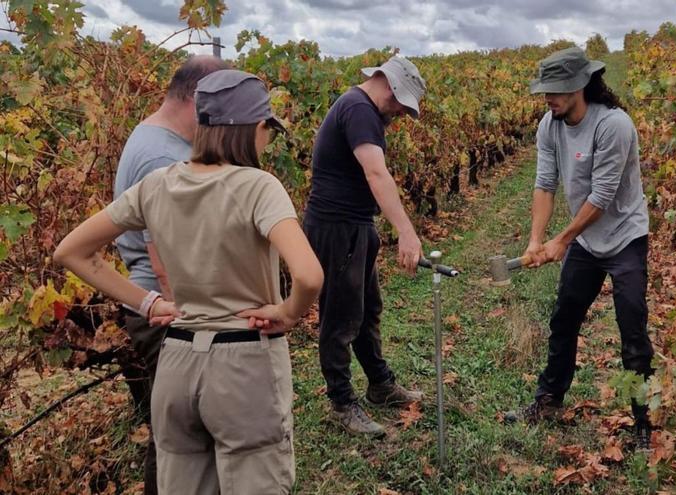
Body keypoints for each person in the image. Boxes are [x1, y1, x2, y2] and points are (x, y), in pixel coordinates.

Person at [55, 69, 324, 493]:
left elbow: (70, 251)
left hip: (177, 364)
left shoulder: (156, 185)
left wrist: (147, 304)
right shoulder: (258, 187)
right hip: (244, 366)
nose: (268, 141)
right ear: (254, 128)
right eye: (268, 131)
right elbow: (309, 275)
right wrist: (288, 313)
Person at [505, 47, 654, 450]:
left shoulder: (614, 125)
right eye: (544, 90)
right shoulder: (549, 125)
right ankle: (549, 399)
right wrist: (537, 240)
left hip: (625, 236)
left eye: (555, 90)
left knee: (632, 328)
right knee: (564, 317)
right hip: (588, 242)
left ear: (580, 85)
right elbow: (544, 183)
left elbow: (602, 194)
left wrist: (561, 239)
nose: (547, 97)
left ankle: (643, 421)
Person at [112, 54, 226, 494]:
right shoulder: (164, 156)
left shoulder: (152, 135)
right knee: (178, 436)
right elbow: (163, 261)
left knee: (176, 428)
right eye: (220, 103)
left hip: (159, 309)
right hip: (168, 313)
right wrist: (192, 318)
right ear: (198, 98)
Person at [304, 56, 427, 436]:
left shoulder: (363, 110)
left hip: (356, 224)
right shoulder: (359, 108)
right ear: (389, 86)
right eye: (402, 105)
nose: (401, 115)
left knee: (367, 308)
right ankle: (342, 402)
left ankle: (379, 384)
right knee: (340, 318)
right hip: (337, 227)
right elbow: (376, 172)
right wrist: (406, 231)